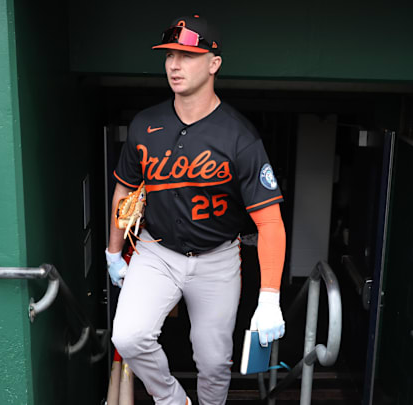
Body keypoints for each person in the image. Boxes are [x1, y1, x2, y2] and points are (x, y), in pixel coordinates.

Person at [106, 15, 287, 405]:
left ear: (213, 63)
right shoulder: (145, 123)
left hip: (217, 259)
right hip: (156, 251)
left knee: (213, 362)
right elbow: (125, 187)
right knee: (128, 336)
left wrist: (269, 296)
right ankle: (172, 400)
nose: (174, 65)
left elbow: (270, 221)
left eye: (187, 55)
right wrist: (113, 251)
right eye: (170, 55)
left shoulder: (240, 136)